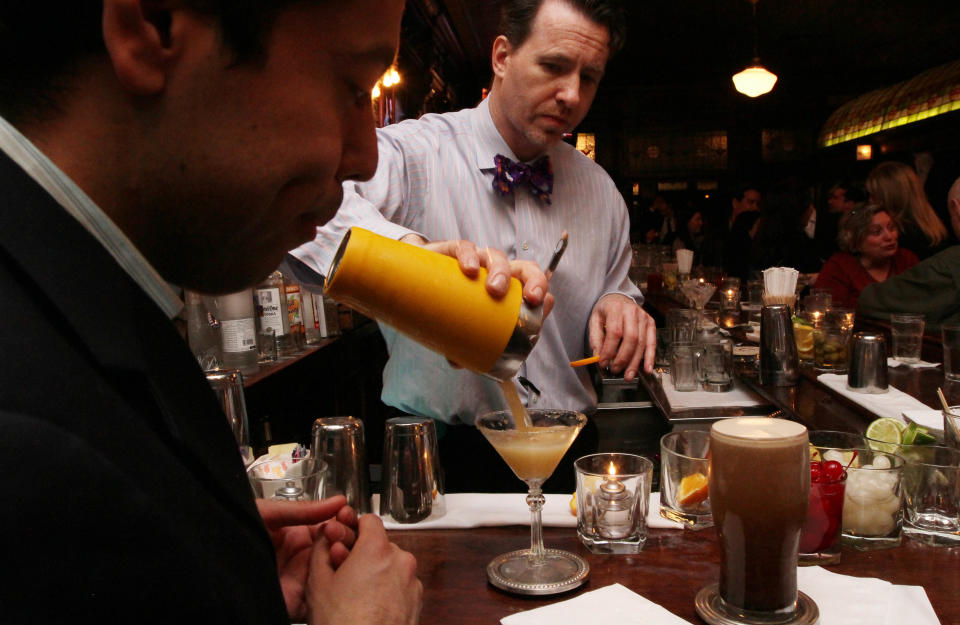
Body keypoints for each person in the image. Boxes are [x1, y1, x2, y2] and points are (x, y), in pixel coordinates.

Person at [0, 0, 556, 622]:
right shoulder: (28, 443)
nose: (366, 158)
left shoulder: (86, 306)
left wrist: (214, 552)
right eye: (352, 88)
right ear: (152, 27)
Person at [292, 0, 653, 492]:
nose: (571, 95)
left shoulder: (601, 192)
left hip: (568, 449)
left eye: (588, 77)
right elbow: (314, 201)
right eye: (553, 66)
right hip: (439, 452)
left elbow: (617, 287)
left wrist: (621, 304)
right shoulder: (418, 151)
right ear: (502, 56)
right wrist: (413, 260)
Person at [814, 205, 918, 309]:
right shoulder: (839, 267)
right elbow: (828, 313)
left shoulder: (906, 260)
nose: (889, 236)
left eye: (892, 228)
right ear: (856, 241)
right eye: (876, 232)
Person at [866, 160, 950, 259]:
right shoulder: (935, 229)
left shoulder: (897, 238)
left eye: (873, 195)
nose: (870, 201)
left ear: (891, 198)